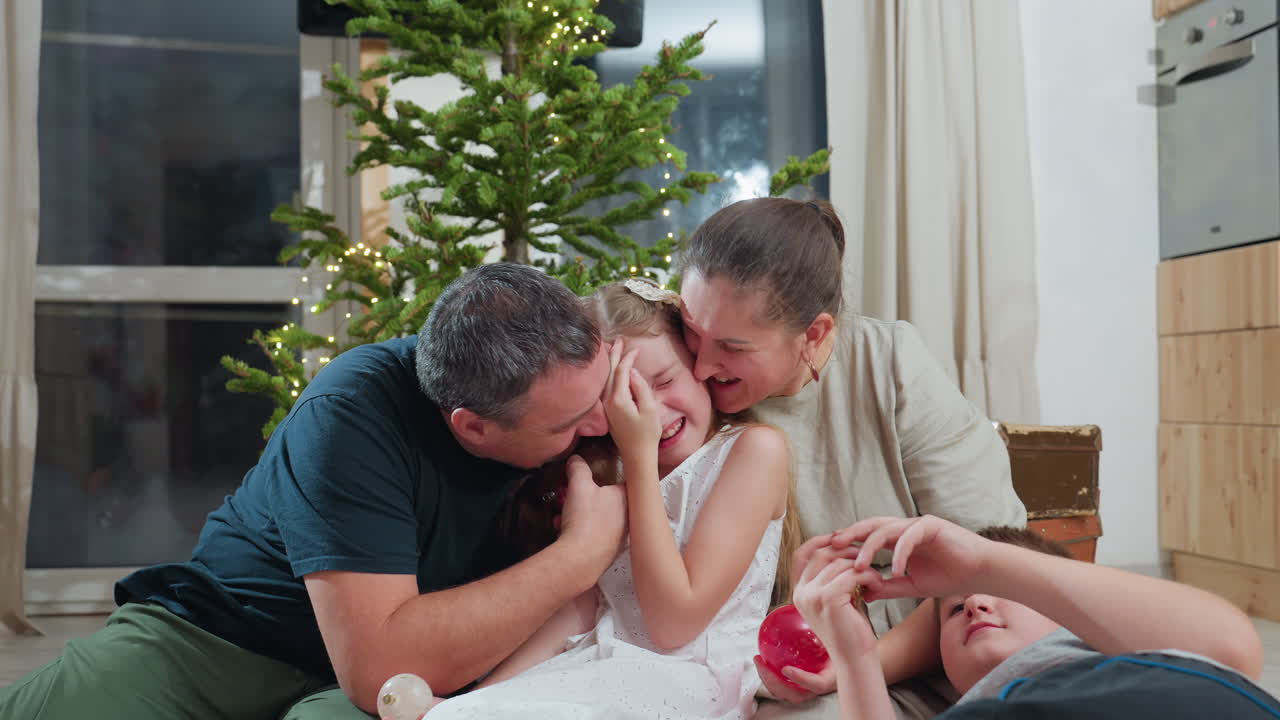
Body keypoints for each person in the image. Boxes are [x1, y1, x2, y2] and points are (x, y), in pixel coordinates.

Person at [0, 263, 629, 720]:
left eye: (598, 395)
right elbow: (380, 660)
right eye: (569, 424)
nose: (600, 424)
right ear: (474, 425)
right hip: (218, 639)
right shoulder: (353, 408)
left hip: (392, 685)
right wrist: (579, 555)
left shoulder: (593, 407)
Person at [678, 197, 1027, 718]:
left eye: (732, 347)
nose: (701, 365)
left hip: (934, 660)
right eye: (691, 329)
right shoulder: (678, 379)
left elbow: (991, 560)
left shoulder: (889, 364)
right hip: (766, 673)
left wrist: (853, 663)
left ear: (813, 334)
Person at [425, 278, 799, 720]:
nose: (651, 416)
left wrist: (638, 457)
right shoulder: (604, 474)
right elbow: (580, 609)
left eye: (663, 381)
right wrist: (475, 698)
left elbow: (672, 626)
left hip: (689, 680)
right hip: (599, 661)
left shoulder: (751, 452)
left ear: (697, 365)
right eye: (622, 400)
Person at [789, 514, 1275, 720]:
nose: (976, 605)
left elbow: (1229, 647)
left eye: (998, 594)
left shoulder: (1131, 661)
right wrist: (853, 656)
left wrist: (986, 562)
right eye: (956, 609)